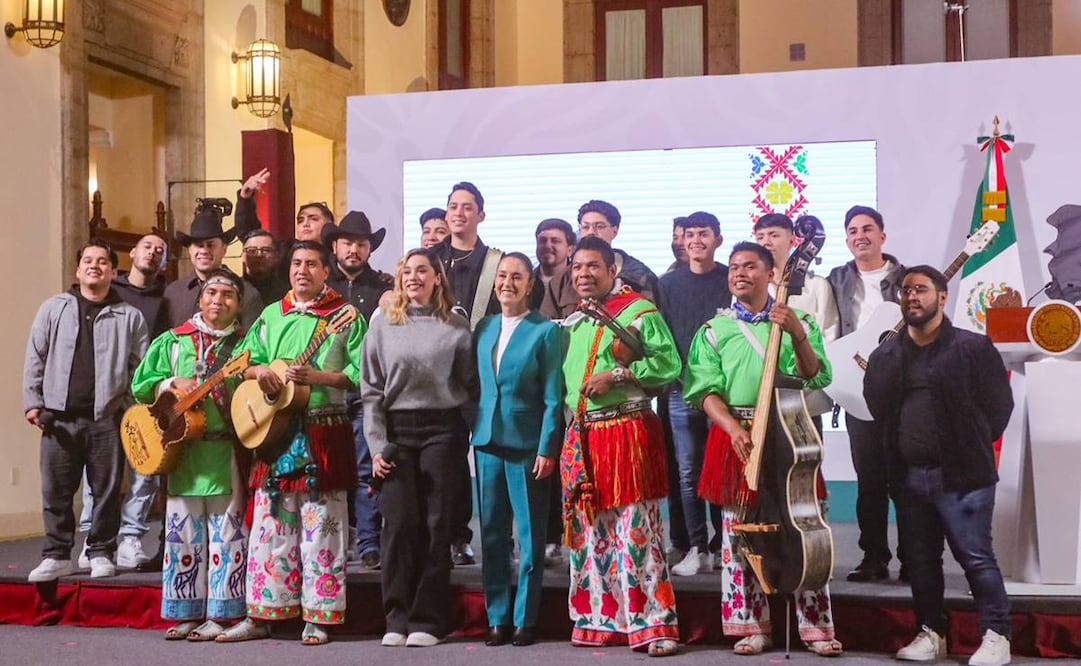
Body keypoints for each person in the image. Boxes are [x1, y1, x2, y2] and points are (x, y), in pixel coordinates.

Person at [683, 242, 842, 657]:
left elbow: (815, 375)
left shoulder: (798, 319)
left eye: (750, 266)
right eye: (734, 267)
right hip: (735, 434)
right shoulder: (714, 330)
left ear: (772, 274)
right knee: (739, 533)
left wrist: (796, 334)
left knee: (804, 525)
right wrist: (733, 428)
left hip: (788, 431)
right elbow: (703, 390)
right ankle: (751, 626)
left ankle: (816, 627)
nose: (739, 273)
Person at [217, 241, 364, 646]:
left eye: (311, 264)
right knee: (269, 527)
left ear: (325, 271)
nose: (302, 270)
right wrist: (261, 372)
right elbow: (243, 362)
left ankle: (319, 614)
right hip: (273, 431)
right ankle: (262, 612)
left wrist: (319, 378)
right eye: (296, 263)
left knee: (322, 525)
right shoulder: (270, 315)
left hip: (323, 429)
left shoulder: (344, 316)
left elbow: (361, 371)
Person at [864, 266, 1013, 666]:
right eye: (906, 290)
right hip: (910, 477)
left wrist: (971, 444)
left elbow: (999, 407)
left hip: (964, 475)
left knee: (976, 557)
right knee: (921, 561)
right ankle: (932, 633)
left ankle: (996, 634)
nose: (912, 296)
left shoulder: (972, 348)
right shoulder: (887, 354)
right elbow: (878, 407)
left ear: (942, 297)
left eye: (921, 289)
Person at [560, 236, 680, 657]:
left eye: (593, 266)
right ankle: (602, 619)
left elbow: (668, 364)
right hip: (585, 437)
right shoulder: (576, 321)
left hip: (627, 432)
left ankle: (653, 625)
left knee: (636, 532)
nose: (583, 274)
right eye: (577, 267)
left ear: (613, 270)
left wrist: (617, 376)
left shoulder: (639, 313)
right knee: (593, 534)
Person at [362, 248, 476, 648]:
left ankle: (428, 618)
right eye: (406, 271)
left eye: (421, 270)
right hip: (395, 434)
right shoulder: (381, 324)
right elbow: (371, 391)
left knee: (435, 524)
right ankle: (396, 616)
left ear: (437, 278)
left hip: (442, 431)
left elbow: (467, 385)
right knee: (398, 525)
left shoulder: (456, 326)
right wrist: (377, 445)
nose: (413, 277)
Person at [129, 269, 249, 641]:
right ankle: (186, 612)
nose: (218, 300)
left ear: (238, 304)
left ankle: (223, 614)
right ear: (200, 299)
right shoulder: (173, 342)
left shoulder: (247, 347)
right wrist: (170, 382)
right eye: (211, 293)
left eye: (227, 295)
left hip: (225, 451)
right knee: (183, 536)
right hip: (182, 454)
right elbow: (140, 386)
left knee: (226, 536)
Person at [24, 240, 149, 581]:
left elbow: (141, 371)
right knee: (56, 491)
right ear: (78, 270)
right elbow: (36, 356)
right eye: (88, 261)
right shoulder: (54, 308)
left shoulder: (130, 317)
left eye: (103, 261)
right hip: (58, 418)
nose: (95, 266)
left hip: (106, 420)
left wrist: (128, 412)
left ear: (114, 271)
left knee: (106, 492)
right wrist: (32, 402)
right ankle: (56, 554)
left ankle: (99, 552)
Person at [473, 253, 563, 647]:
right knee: (491, 535)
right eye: (502, 275)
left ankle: (526, 619)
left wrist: (548, 447)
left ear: (530, 284)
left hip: (528, 446)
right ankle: (497, 617)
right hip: (487, 442)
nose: (507, 282)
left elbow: (553, 397)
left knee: (529, 537)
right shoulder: (484, 327)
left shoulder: (546, 331)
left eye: (517, 277)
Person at [79, 231, 169, 571]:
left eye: (160, 250)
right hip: (107, 392)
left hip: (147, 392)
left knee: (144, 468)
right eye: (147, 246)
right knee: (99, 470)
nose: (153, 252)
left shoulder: (168, 296)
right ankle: (92, 538)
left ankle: (130, 537)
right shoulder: (110, 293)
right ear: (132, 254)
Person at [826, 205, 906, 582]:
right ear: (847, 239)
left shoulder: (907, 279)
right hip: (858, 389)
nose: (861, 235)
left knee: (907, 480)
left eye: (868, 228)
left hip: (904, 391)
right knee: (869, 480)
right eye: (853, 230)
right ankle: (873, 557)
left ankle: (915, 559)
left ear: (883, 236)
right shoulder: (837, 279)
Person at [431, 181, 503, 566]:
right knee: (449, 461)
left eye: (468, 207)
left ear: (480, 215)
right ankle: (455, 535)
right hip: (439, 376)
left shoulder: (495, 263)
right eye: (453, 206)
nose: (459, 213)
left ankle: (498, 537)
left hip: (486, 372)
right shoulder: (427, 260)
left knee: (492, 455)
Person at [657, 211, 730, 576]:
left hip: (721, 394)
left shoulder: (729, 280)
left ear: (718, 239)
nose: (696, 240)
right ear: (682, 241)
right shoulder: (667, 284)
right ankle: (696, 546)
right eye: (690, 235)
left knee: (719, 469)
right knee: (688, 473)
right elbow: (663, 338)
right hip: (681, 392)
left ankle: (722, 546)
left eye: (704, 234)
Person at [325, 211, 394, 569]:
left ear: (370, 249)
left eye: (361, 244)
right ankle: (337, 540)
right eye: (348, 242)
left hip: (371, 392)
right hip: (326, 392)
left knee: (369, 469)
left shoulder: (385, 288)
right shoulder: (321, 288)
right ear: (334, 245)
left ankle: (369, 542)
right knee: (331, 469)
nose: (354, 249)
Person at [541, 200, 660, 319]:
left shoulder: (640, 277)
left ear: (615, 230)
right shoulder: (563, 280)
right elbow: (546, 326)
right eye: (585, 227)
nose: (591, 232)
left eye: (599, 226)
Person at [160, 201, 264, 330]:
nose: (204, 250)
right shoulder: (173, 292)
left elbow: (253, 344)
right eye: (198, 245)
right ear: (190, 250)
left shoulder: (247, 293)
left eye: (210, 245)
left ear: (224, 249)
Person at [531, 218, 576, 311]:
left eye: (555, 241)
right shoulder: (525, 282)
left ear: (570, 250)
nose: (548, 246)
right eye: (543, 241)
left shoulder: (580, 282)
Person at [242, 229, 288, 304]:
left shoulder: (287, 293)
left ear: (276, 256)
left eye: (266, 250)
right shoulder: (233, 290)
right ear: (243, 256)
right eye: (252, 250)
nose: (259, 255)